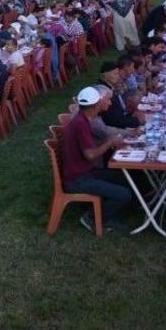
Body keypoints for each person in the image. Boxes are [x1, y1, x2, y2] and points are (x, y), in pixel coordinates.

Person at [60, 87, 130, 231]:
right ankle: (90, 218)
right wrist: (109, 143)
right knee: (123, 194)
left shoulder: (82, 119)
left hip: (85, 173)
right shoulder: (81, 124)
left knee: (125, 178)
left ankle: (111, 218)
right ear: (96, 105)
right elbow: (90, 155)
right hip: (78, 180)